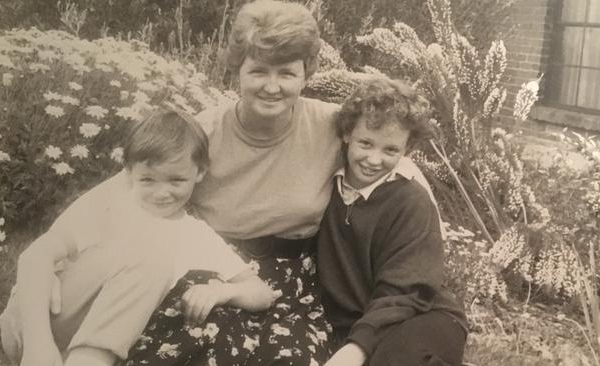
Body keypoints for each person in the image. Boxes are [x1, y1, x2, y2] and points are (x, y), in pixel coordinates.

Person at [123, 2, 442, 366]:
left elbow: (393, 163)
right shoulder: (200, 133)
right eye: (259, 70)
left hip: (294, 285)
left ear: (306, 73)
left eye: (287, 73)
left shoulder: (333, 126)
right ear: (237, 71)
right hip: (215, 271)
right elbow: (131, 188)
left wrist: (424, 228)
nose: (272, 87)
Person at [0, 109, 273, 366]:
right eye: (148, 180)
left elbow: (261, 292)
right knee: (152, 258)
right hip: (35, 326)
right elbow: (34, 257)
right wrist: (38, 345)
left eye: (176, 180)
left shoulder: (195, 235)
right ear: (128, 173)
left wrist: (223, 291)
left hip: (93, 343)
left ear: (199, 172)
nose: (162, 193)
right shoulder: (108, 208)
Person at [317, 78, 467, 366]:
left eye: (390, 150)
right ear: (347, 133)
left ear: (406, 149)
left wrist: (357, 348)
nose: (374, 160)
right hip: (362, 321)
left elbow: (407, 291)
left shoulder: (411, 201)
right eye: (366, 143)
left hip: (419, 313)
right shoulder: (325, 185)